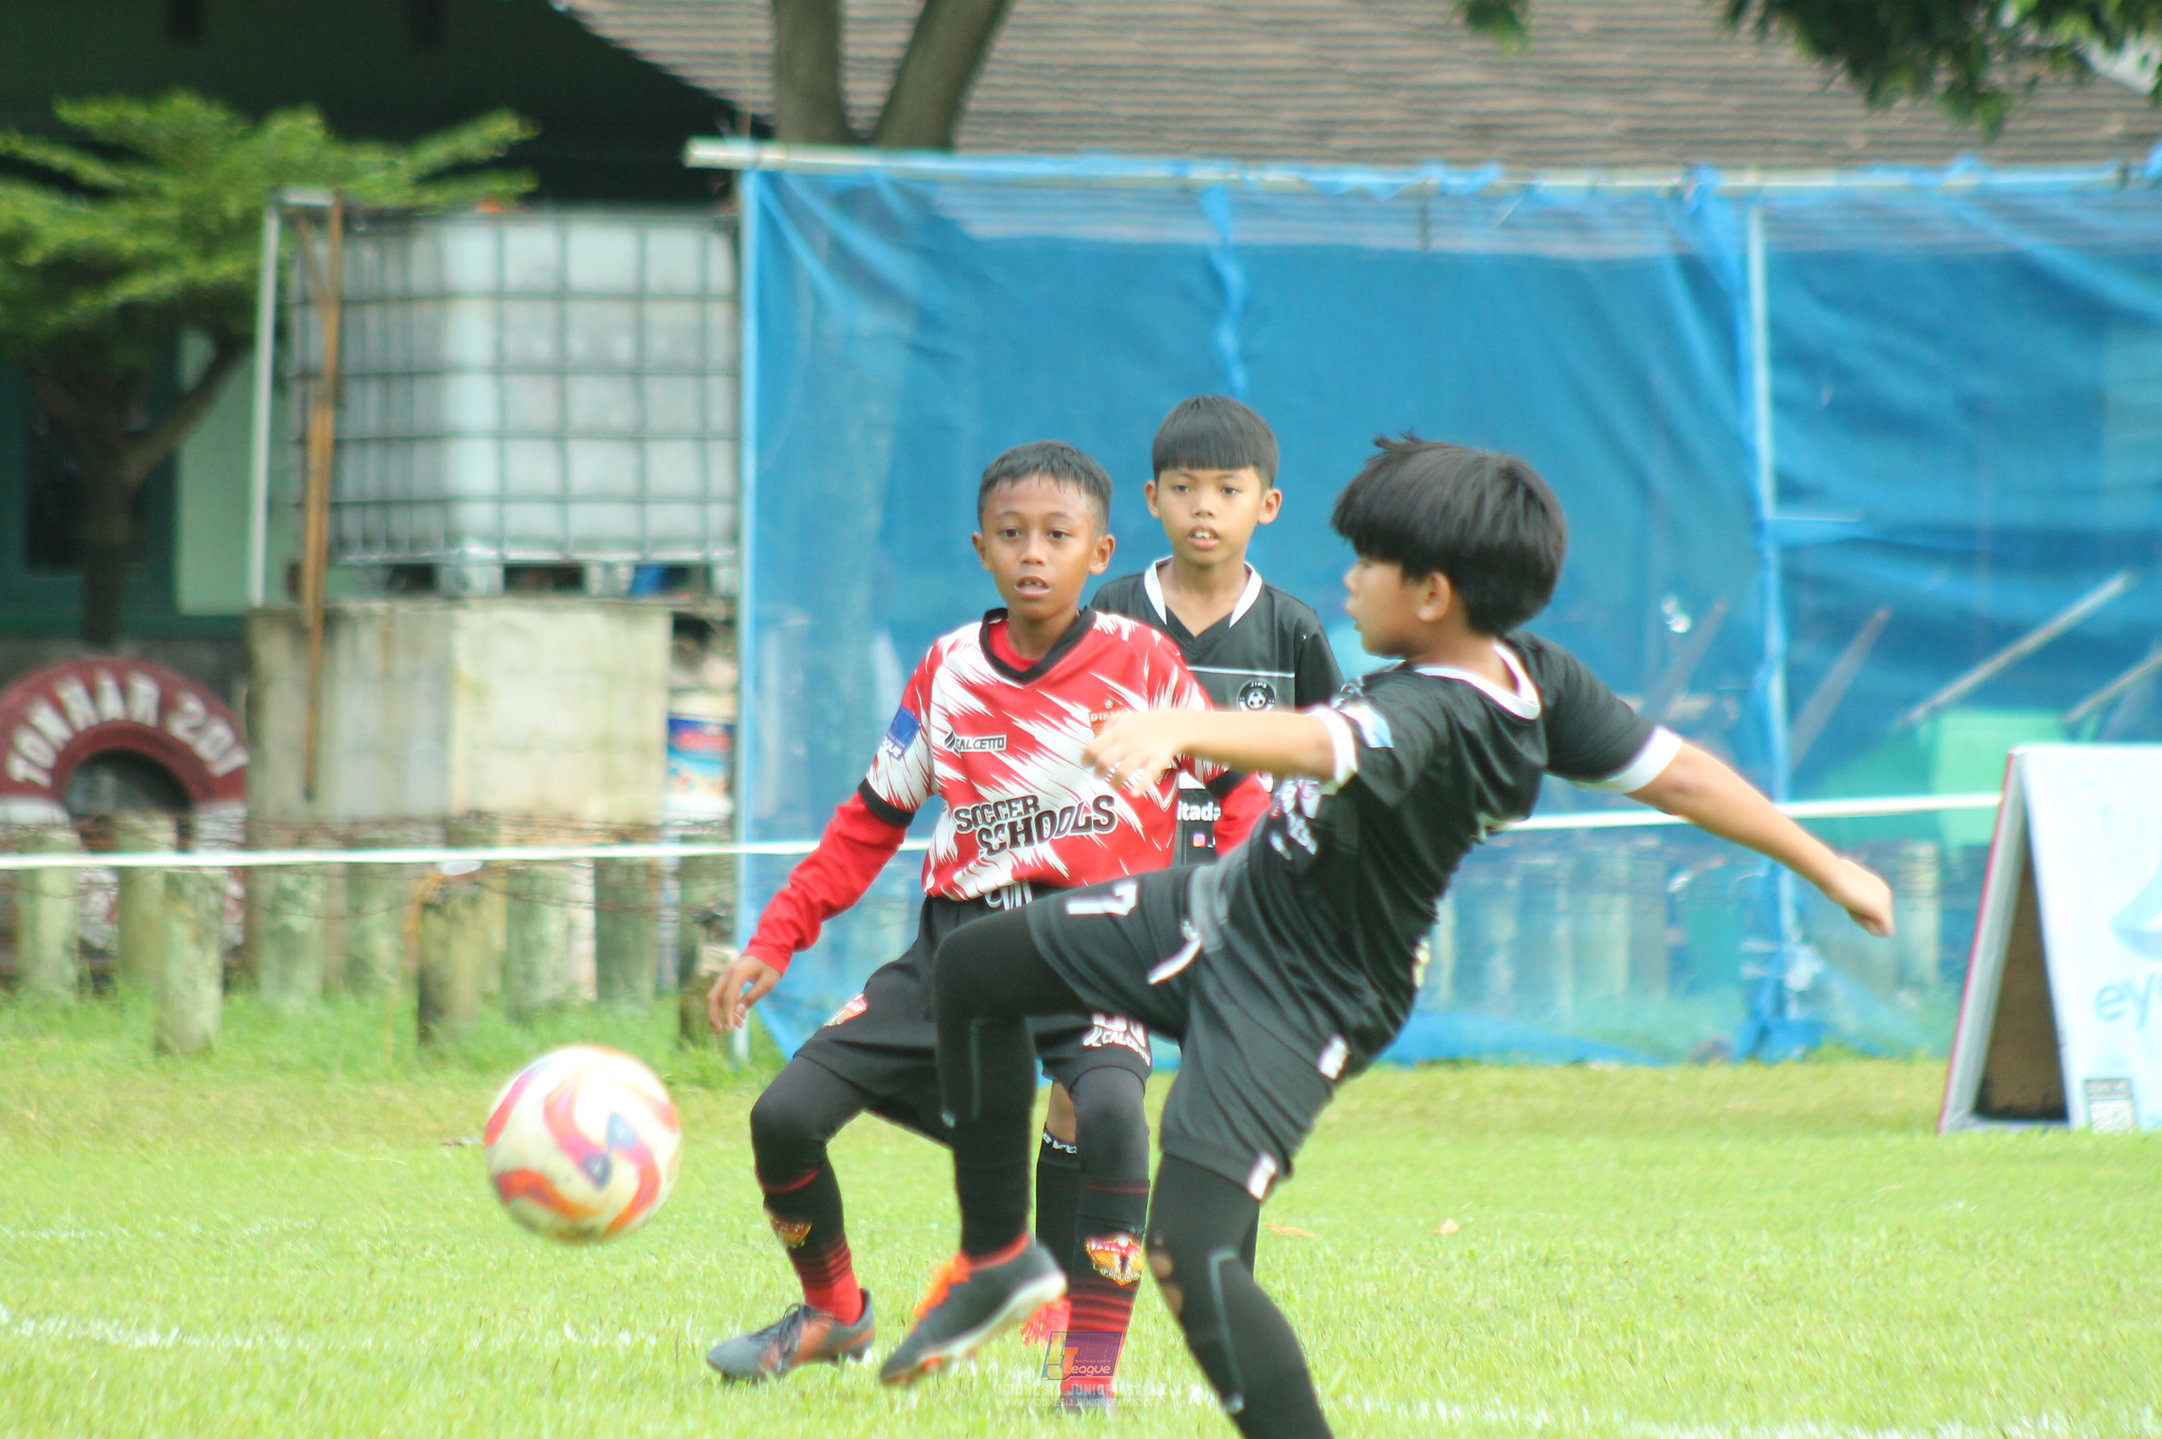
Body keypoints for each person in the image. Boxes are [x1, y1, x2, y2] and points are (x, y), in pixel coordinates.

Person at [877, 438, 1897, 1438]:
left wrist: (1182, 728)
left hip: (1303, 994)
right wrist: (1826, 863)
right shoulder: (1526, 674)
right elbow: (1676, 771)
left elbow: (1325, 740)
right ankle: (1002, 1253)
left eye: (1367, 562)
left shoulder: (1440, 714)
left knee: (1191, 1256)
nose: (1348, 579)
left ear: (1430, 594)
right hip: (1220, 908)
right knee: (975, 966)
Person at [702, 440, 1266, 1408]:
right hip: (954, 955)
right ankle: (834, 1310)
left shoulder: (1142, 661)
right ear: (979, 547)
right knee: (781, 1117)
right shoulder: (949, 668)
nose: (1031, 554)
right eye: (1010, 534)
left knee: (1114, 1120)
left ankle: (1088, 1372)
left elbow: (1239, 780)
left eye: (1057, 534)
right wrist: (775, 935)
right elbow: (869, 820)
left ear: (1100, 551)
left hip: (1093, 949)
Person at [1093, 394, 1342, 867]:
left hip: (1255, 887)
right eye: (1183, 488)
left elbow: (1325, 761)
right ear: (1153, 498)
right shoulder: (1113, 613)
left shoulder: (1292, 628)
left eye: (1228, 491)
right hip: (1129, 888)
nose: (1203, 508)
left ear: (1267, 504)